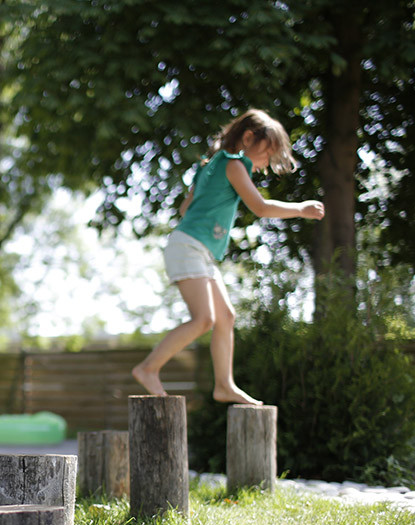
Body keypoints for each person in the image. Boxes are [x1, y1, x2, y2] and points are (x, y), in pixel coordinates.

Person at [131, 109, 324, 405]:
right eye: (265, 155)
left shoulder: (209, 165)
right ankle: (148, 368)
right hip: (189, 247)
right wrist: (301, 209)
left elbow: (186, 208)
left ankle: (224, 385)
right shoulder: (234, 165)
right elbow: (259, 207)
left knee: (225, 317)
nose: (265, 164)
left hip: (198, 249)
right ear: (248, 138)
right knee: (204, 319)